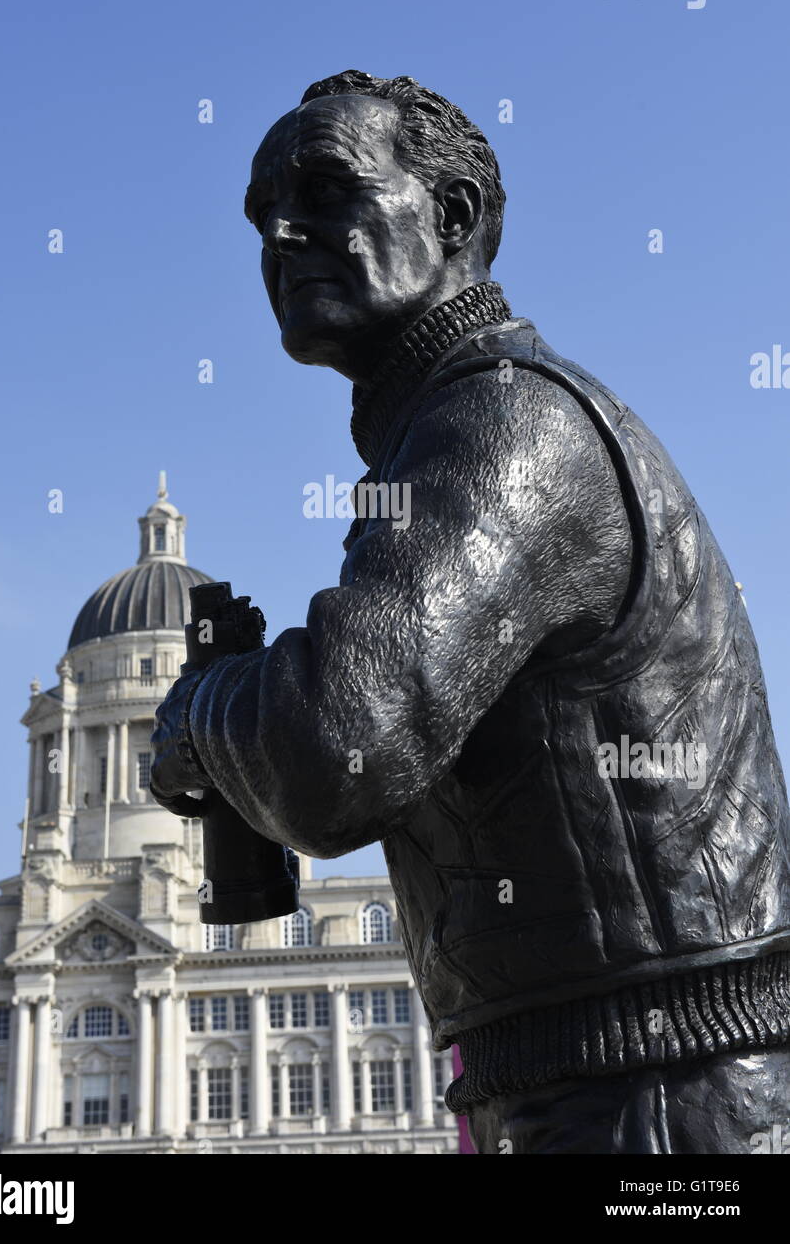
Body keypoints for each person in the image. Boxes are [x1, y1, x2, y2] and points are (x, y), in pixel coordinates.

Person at [151, 70, 790, 1153]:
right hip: (587, 1082)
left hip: (657, 1097)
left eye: (324, 189)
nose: (284, 234)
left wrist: (195, 712)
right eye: (264, 216)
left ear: (451, 216)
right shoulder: (438, 432)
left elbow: (332, 747)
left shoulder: (504, 422)